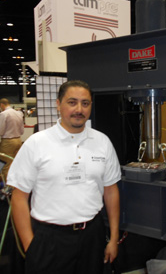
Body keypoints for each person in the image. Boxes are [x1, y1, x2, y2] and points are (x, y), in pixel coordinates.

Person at [7, 80, 121, 274]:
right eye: (72, 102)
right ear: (58, 104)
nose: (79, 109)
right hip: (49, 239)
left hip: (92, 237)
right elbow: (19, 197)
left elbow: (111, 191)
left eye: (85, 103)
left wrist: (113, 237)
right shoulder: (37, 143)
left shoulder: (102, 142)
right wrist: (30, 246)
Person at [0, 98, 24, 182]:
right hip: (18, 140)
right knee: (15, 164)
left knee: (5, 165)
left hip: (8, 141)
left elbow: (1, 130)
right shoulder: (19, 114)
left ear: (2, 105)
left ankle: (7, 188)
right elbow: (22, 131)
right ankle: (16, 184)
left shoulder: (4, 114)